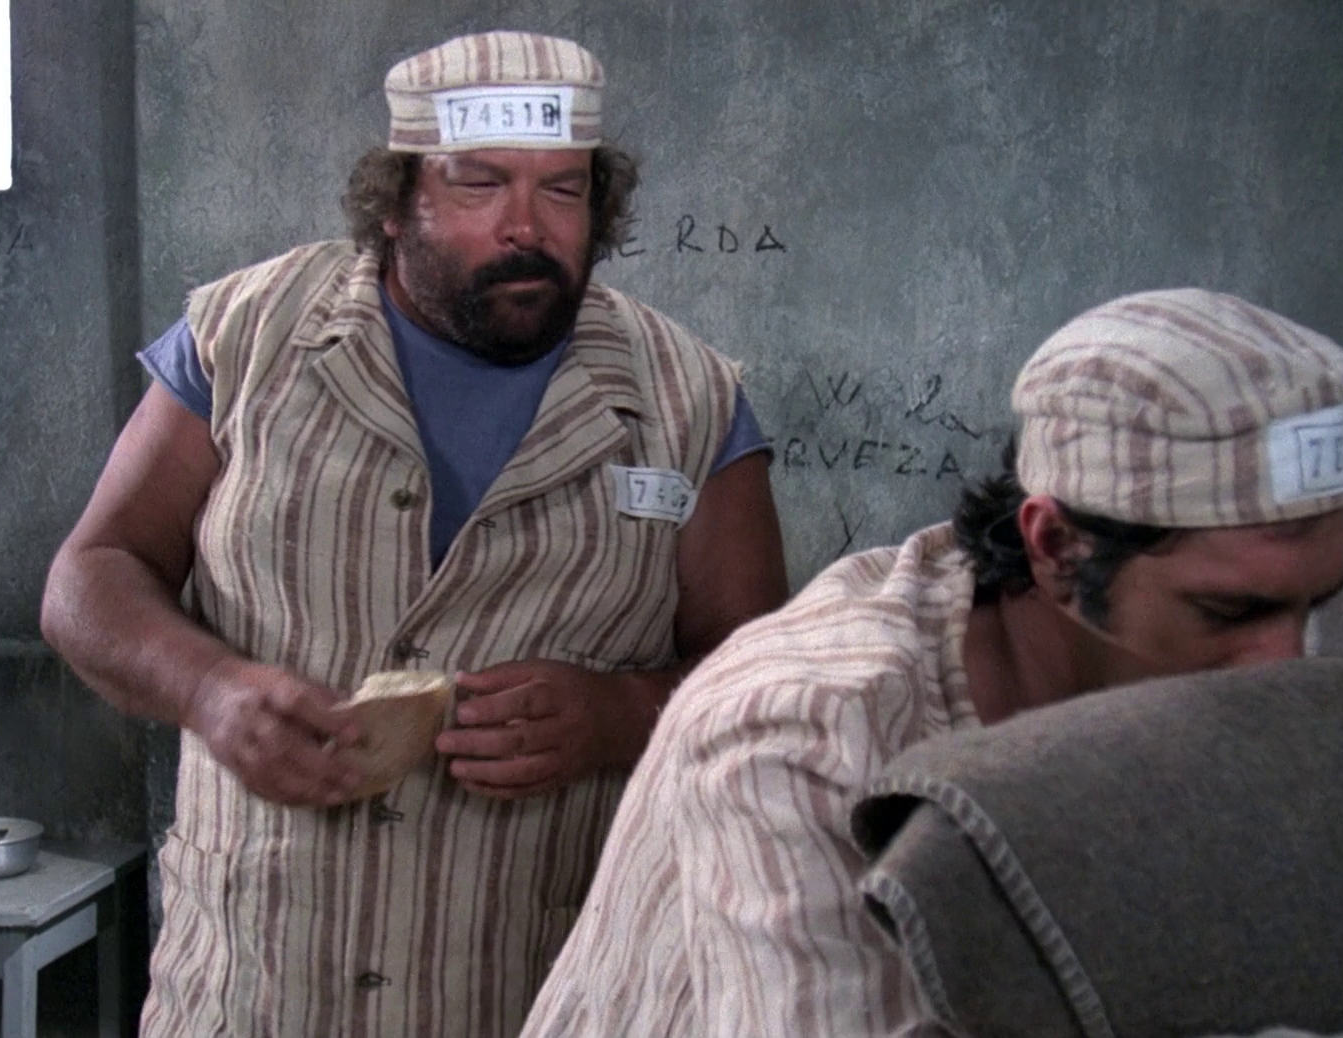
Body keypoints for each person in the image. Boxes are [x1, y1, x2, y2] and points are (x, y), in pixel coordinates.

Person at [522, 288, 1343, 1037]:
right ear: (1056, 549)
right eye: (1229, 611)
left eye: (1314, 606)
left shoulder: (1217, 688)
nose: (1284, 667)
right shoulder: (804, 731)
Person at [40, 30, 788, 1038]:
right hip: (254, 992)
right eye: (479, 184)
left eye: (563, 191)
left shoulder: (689, 401)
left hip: (542, 996)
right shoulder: (246, 339)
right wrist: (208, 690)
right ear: (395, 201)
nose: (526, 226)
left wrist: (620, 715)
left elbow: (761, 686)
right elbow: (90, 577)